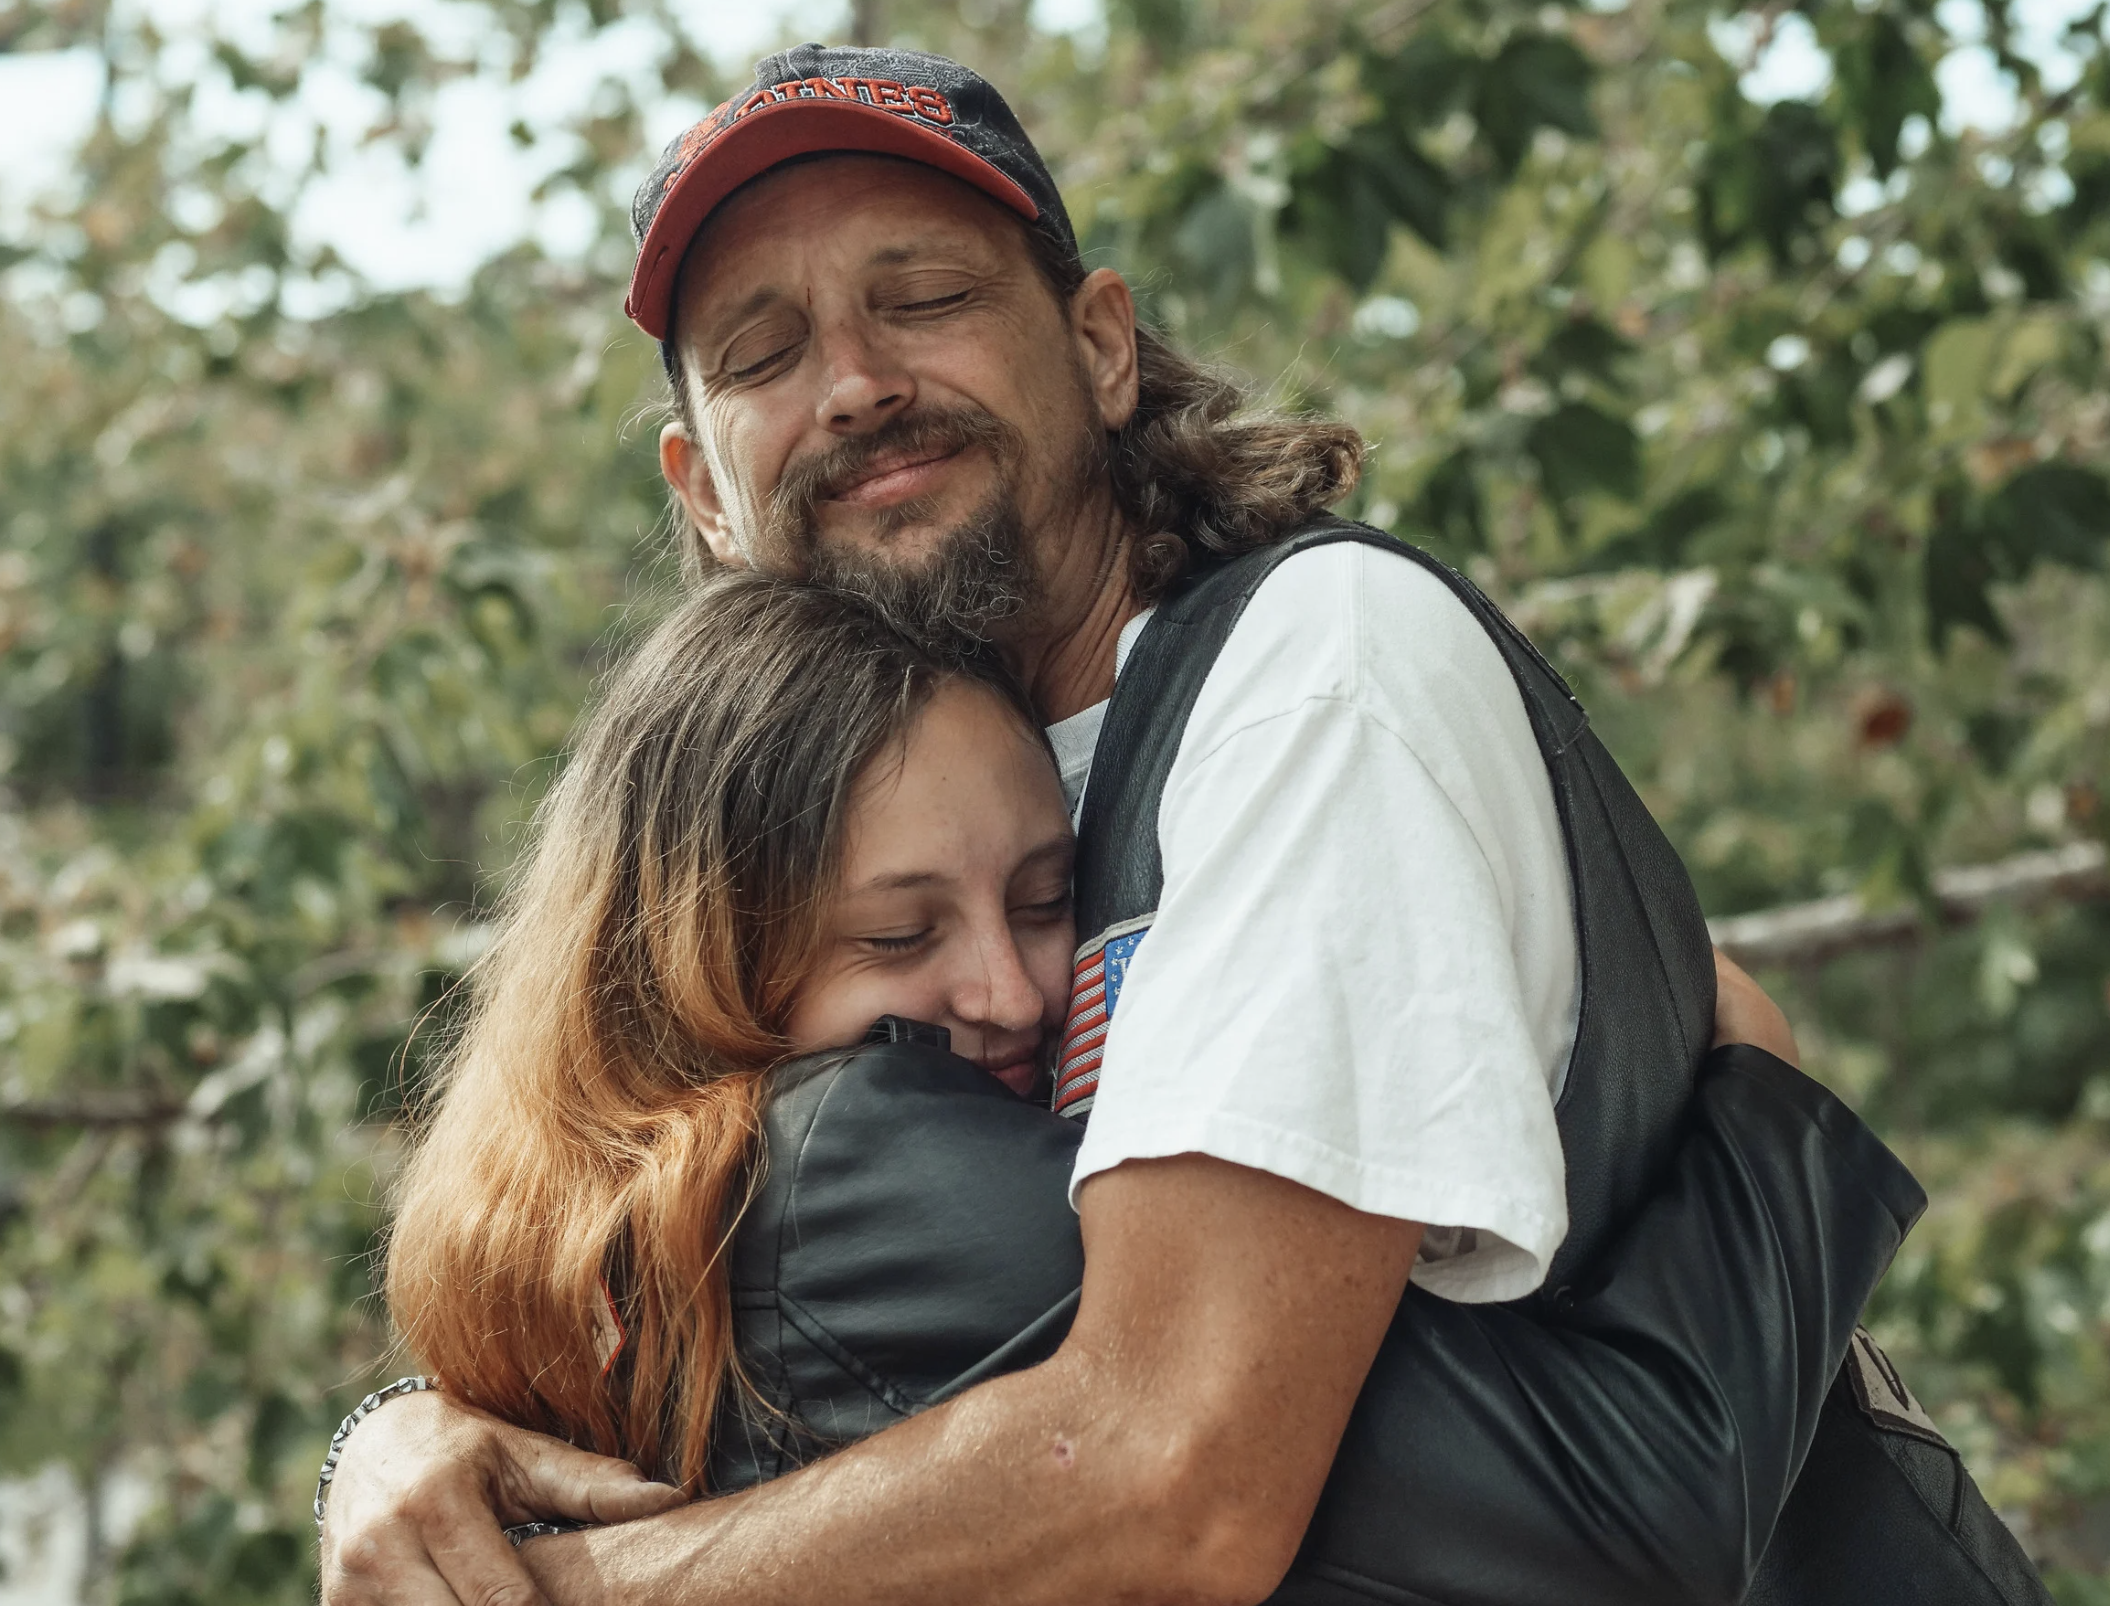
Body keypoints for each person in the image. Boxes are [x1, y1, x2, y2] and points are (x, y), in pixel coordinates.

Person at [317, 45, 2029, 1606]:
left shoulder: (1301, 682)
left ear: (1100, 345)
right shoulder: (875, 829)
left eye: (921, 299)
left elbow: (1173, 1477)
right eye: (763, 354)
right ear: (700, 486)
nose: (850, 384)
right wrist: (410, 1431)